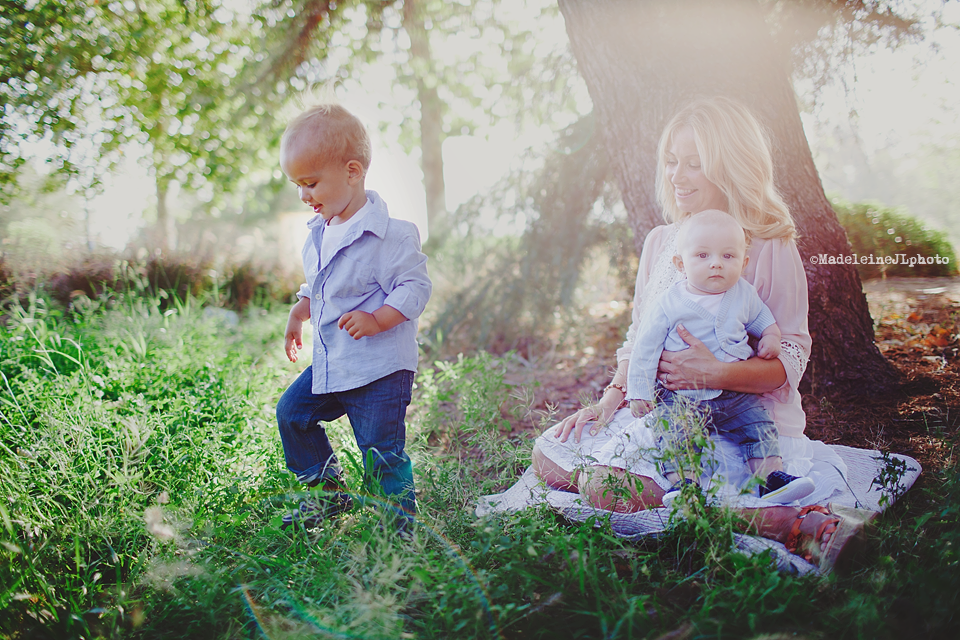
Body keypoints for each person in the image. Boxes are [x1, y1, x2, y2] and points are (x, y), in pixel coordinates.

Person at [531, 96, 869, 571]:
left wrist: (714, 372)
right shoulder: (661, 243)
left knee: (604, 486)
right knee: (547, 452)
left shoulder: (768, 244)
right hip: (666, 414)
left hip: (737, 421)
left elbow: (790, 356)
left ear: (729, 166)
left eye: (694, 163)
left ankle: (782, 522)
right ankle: (732, 511)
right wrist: (610, 400)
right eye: (672, 161)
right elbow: (639, 336)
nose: (676, 175)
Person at [275, 102, 432, 531]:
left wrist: (378, 318)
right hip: (335, 362)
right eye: (298, 186)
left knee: (380, 452)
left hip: (380, 369)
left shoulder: (392, 234)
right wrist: (300, 310)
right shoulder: (318, 233)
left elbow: (415, 287)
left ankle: (398, 531)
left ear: (352, 171)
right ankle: (329, 495)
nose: (304, 196)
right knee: (292, 414)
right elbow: (323, 284)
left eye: (311, 183)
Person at [626, 208, 814, 506]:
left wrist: (771, 337)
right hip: (683, 396)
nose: (716, 264)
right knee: (676, 434)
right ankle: (685, 484)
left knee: (758, 425)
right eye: (703, 255)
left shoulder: (743, 293)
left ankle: (771, 478)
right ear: (680, 263)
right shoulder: (668, 303)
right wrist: (639, 391)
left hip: (735, 394)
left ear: (744, 263)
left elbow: (762, 318)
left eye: (728, 256)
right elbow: (644, 349)